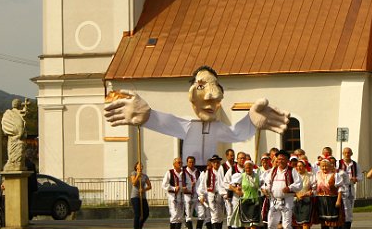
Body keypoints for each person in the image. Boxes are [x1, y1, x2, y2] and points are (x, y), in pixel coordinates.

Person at [104, 65, 289, 165]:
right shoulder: (188, 124)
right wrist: (148, 116)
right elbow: (166, 122)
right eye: (201, 87)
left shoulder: (216, 127)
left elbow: (235, 134)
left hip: (210, 170)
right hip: (189, 171)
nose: (211, 98)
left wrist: (250, 121)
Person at [266, 150, 301, 229]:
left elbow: (299, 184)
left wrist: (290, 188)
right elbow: (267, 183)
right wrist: (265, 189)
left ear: (287, 160)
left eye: (283, 159)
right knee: (271, 223)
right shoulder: (273, 171)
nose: (280, 161)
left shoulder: (292, 171)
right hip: (274, 200)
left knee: (286, 224)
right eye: (279, 159)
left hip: (287, 200)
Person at [230, 160, 262, 229]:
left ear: (252, 167)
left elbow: (262, 185)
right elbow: (230, 185)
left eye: (250, 167)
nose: (248, 169)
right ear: (244, 168)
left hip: (254, 201)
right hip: (244, 201)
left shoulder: (257, 176)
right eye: (247, 167)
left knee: (253, 223)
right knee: (246, 223)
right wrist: (237, 190)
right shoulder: (241, 176)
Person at [316, 157, 344, 229]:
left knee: (333, 219)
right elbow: (313, 186)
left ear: (330, 166)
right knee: (323, 220)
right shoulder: (317, 175)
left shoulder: (335, 175)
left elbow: (340, 188)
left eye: (326, 166)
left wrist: (338, 200)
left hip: (332, 198)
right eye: (322, 166)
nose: (324, 168)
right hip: (321, 199)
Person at [197, 154, 227, 229]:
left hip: (221, 195)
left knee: (221, 214)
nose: (216, 164)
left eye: (217, 162)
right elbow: (202, 185)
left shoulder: (222, 172)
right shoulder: (207, 173)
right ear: (212, 163)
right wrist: (201, 195)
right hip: (211, 194)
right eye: (214, 163)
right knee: (214, 214)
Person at [338, 147, 362, 229]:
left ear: (351, 154)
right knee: (340, 209)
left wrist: (356, 178)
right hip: (340, 188)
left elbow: (360, 176)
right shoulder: (338, 163)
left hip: (350, 188)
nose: (347, 154)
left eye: (348, 153)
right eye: (345, 153)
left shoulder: (355, 165)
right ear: (343, 154)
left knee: (349, 210)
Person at [291, 159, 315, 229]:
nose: (299, 168)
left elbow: (314, 187)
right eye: (297, 166)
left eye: (301, 166)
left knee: (305, 221)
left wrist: (308, 193)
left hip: (306, 200)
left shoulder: (310, 176)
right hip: (295, 200)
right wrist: (296, 194)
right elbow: (290, 188)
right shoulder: (293, 177)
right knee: (297, 221)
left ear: (305, 167)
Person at [161, 157, 187, 229]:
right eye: (178, 163)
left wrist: (185, 187)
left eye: (181, 163)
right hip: (173, 196)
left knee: (180, 214)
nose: (180, 164)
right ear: (174, 164)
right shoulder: (170, 172)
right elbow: (164, 185)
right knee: (174, 213)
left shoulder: (184, 173)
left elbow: (188, 182)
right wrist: (173, 188)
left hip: (181, 195)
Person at [130, 162, 151, 229]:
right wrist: (137, 175)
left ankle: (140, 226)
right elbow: (133, 183)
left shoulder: (145, 176)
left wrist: (144, 189)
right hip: (135, 196)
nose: (141, 167)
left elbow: (149, 186)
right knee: (137, 213)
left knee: (146, 213)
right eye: (139, 165)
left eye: (142, 165)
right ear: (136, 167)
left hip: (142, 196)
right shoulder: (134, 173)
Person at [182, 156, 201, 229]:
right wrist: (190, 185)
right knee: (188, 213)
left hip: (196, 195)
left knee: (201, 212)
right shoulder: (183, 172)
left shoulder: (197, 171)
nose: (191, 163)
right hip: (187, 194)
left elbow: (200, 182)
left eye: (193, 162)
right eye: (189, 162)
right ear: (187, 162)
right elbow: (182, 184)